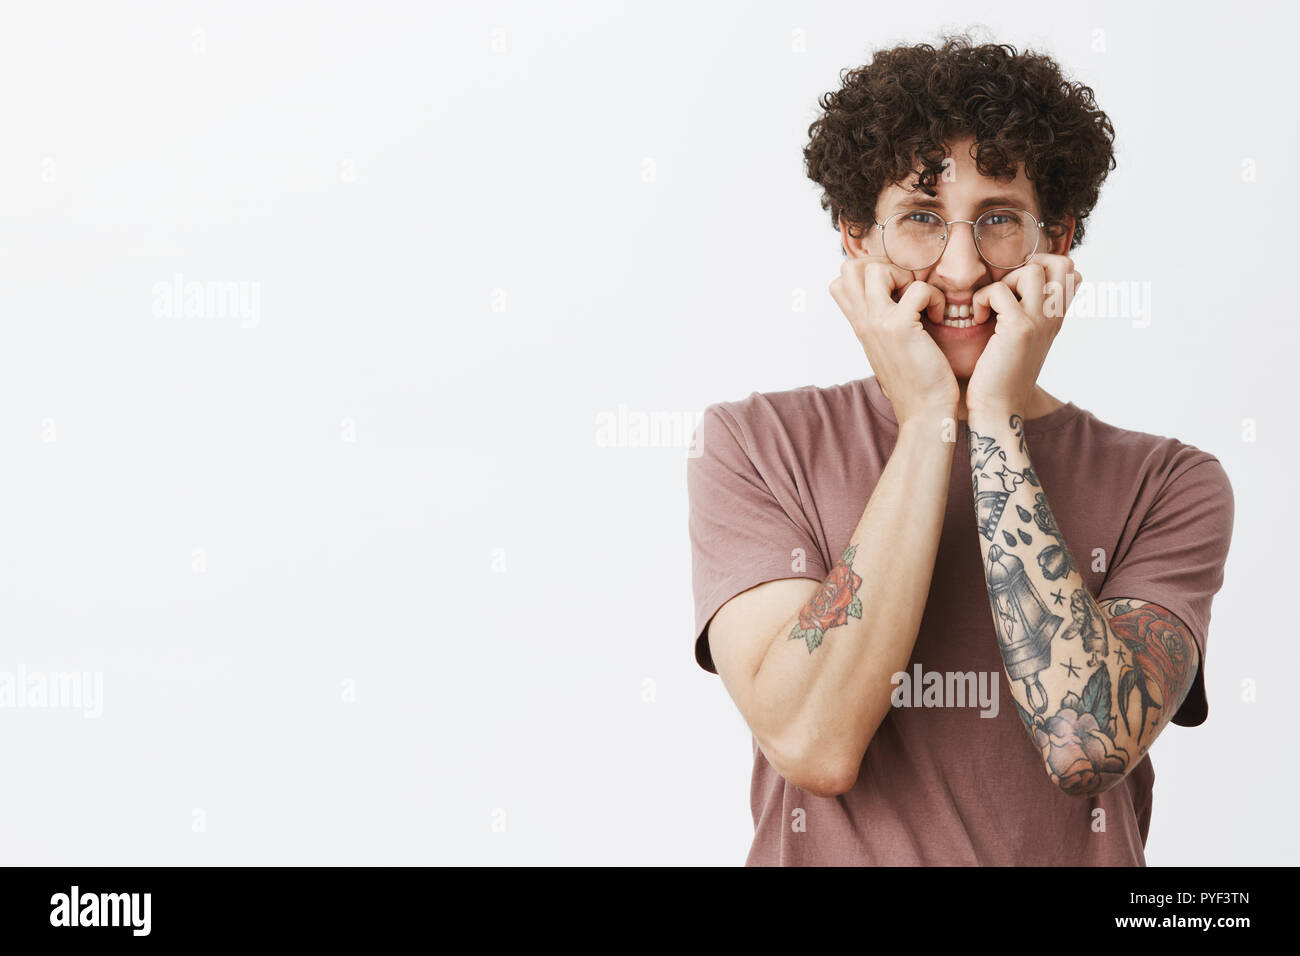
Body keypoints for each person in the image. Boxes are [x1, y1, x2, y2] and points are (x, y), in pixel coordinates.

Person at [686, 35, 1234, 866]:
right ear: (856, 238)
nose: (962, 265)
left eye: (1000, 220)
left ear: (1059, 238)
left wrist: (998, 421)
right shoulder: (755, 445)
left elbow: (1086, 743)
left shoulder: (1169, 483)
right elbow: (814, 744)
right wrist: (929, 422)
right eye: (921, 219)